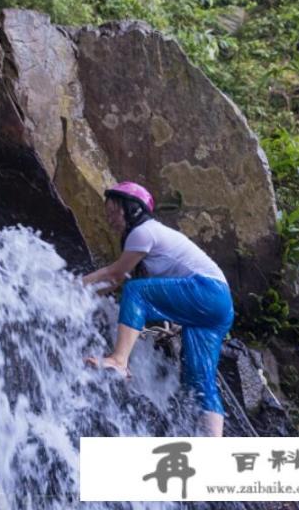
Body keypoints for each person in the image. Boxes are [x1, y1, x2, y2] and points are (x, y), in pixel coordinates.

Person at [83, 181, 234, 437]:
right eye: (107, 214)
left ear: (133, 209)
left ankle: (119, 361)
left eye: (113, 212)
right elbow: (113, 281)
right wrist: (87, 295)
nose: (110, 220)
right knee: (199, 381)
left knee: (136, 291)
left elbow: (117, 274)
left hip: (207, 290)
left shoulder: (143, 232)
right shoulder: (148, 236)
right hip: (220, 306)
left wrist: (73, 286)